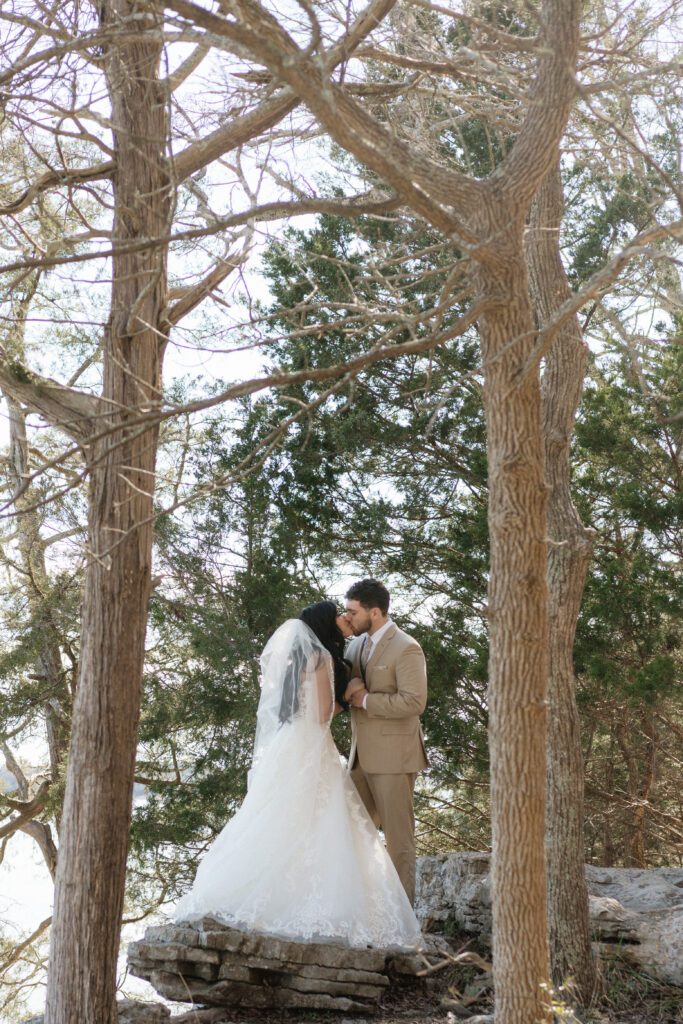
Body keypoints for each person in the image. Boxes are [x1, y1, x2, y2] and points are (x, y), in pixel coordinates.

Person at [173, 600, 422, 949]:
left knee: (289, 818)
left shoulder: (303, 657)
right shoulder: (318, 657)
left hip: (294, 742)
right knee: (316, 819)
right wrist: (348, 699)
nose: (345, 618)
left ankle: (284, 891)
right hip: (311, 744)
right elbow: (322, 712)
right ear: (326, 622)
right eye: (340, 613)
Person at [344, 579, 428, 904]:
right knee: (353, 836)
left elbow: (413, 702)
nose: (347, 617)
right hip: (359, 759)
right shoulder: (354, 646)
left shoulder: (406, 647)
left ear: (375, 612)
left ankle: (404, 919)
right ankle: (365, 909)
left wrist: (365, 701)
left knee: (398, 840)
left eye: (352, 611)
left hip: (395, 757)